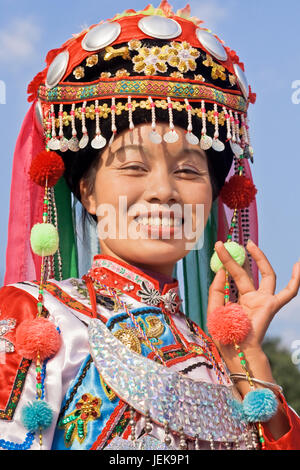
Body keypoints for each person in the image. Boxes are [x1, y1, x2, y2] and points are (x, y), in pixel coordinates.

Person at [0, 1, 299, 451]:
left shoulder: (219, 353)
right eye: (134, 167)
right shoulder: (40, 318)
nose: (164, 191)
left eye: (189, 172)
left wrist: (249, 357)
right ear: (88, 193)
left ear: (214, 198)